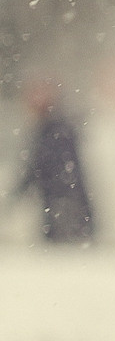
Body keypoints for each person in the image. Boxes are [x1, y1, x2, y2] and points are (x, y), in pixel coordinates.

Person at [13, 81, 96, 244]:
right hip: (61, 201)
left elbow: (39, 166)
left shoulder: (53, 131)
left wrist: (19, 192)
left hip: (62, 202)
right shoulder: (53, 129)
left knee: (61, 253)